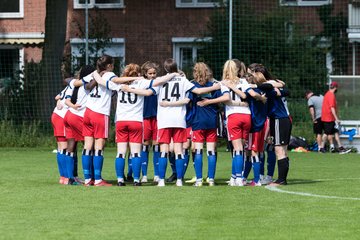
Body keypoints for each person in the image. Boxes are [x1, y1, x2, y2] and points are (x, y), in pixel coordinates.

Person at [151, 58, 220, 187]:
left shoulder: (161, 81)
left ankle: (161, 180)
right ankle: (179, 180)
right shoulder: (184, 80)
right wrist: (216, 86)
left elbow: (153, 84)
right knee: (179, 150)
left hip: (164, 118)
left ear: (165, 68)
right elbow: (198, 92)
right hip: (179, 119)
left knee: (164, 151)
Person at [140, 61, 161, 183]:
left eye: (154, 73)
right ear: (145, 74)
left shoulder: (159, 83)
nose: (152, 75)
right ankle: (144, 175)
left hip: (157, 117)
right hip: (145, 117)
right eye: (150, 73)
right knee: (145, 145)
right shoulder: (141, 84)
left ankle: (157, 174)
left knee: (156, 145)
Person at [51, 81, 72, 185]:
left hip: (56, 115)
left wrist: (59, 100)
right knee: (64, 148)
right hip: (61, 117)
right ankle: (66, 177)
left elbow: (56, 97)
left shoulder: (68, 87)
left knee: (60, 148)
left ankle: (63, 177)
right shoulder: (75, 87)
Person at [321, 82, 350, 154]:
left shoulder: (327, 93)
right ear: (336, 88)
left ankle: (340, 147)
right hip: (328, 118)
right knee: (326, 133)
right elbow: (332, 108)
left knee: (336, 132)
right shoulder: (331, 95)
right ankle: (321, 147)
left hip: (329, 118)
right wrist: (336, 118)